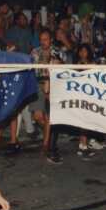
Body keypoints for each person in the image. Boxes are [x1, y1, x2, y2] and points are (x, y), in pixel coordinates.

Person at [30, 29, 66, 164]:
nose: (43, 41)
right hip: (38, 85)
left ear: (51, 39)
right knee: (38, 117)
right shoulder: (34, 52)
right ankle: (50, 136)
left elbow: (64, 67)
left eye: (46, 39)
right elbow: (29, 68)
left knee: (48, 116)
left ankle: (47, 145)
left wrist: (57, 63)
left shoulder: (58, 51)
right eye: (41, 39)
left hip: (53, 85)